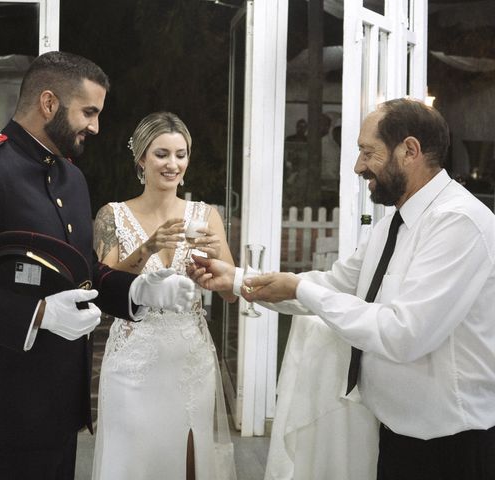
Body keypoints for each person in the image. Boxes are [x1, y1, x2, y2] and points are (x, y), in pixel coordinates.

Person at [0, 52, 195, 480]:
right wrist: (38, 314)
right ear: (49, 103)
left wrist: (137, 291)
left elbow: (80, 270)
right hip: (3, 410)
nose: (95, 127)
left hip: (59, 408)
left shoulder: (70, 177)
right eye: (89, 112)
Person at [190, 98, 495, 479]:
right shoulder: (391, 227)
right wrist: (235, 278)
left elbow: (404, 334)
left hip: (452, 448)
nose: (357, 166)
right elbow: (333, 285)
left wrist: (301, 291)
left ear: (410, 151)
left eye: (368, 152)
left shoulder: (459, 223)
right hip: (397, 438)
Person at [91, 111, 238, 480]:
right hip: (133, 364)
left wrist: (213, 266)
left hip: (190, 361)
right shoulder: (112, 216)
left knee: (189, 463)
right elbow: (102, 285)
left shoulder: (206, 216)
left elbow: (231, 295)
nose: (173, 164)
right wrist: (148, 246)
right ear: (141, 158)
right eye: (162, 154)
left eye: (181, 154)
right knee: (134, 464)